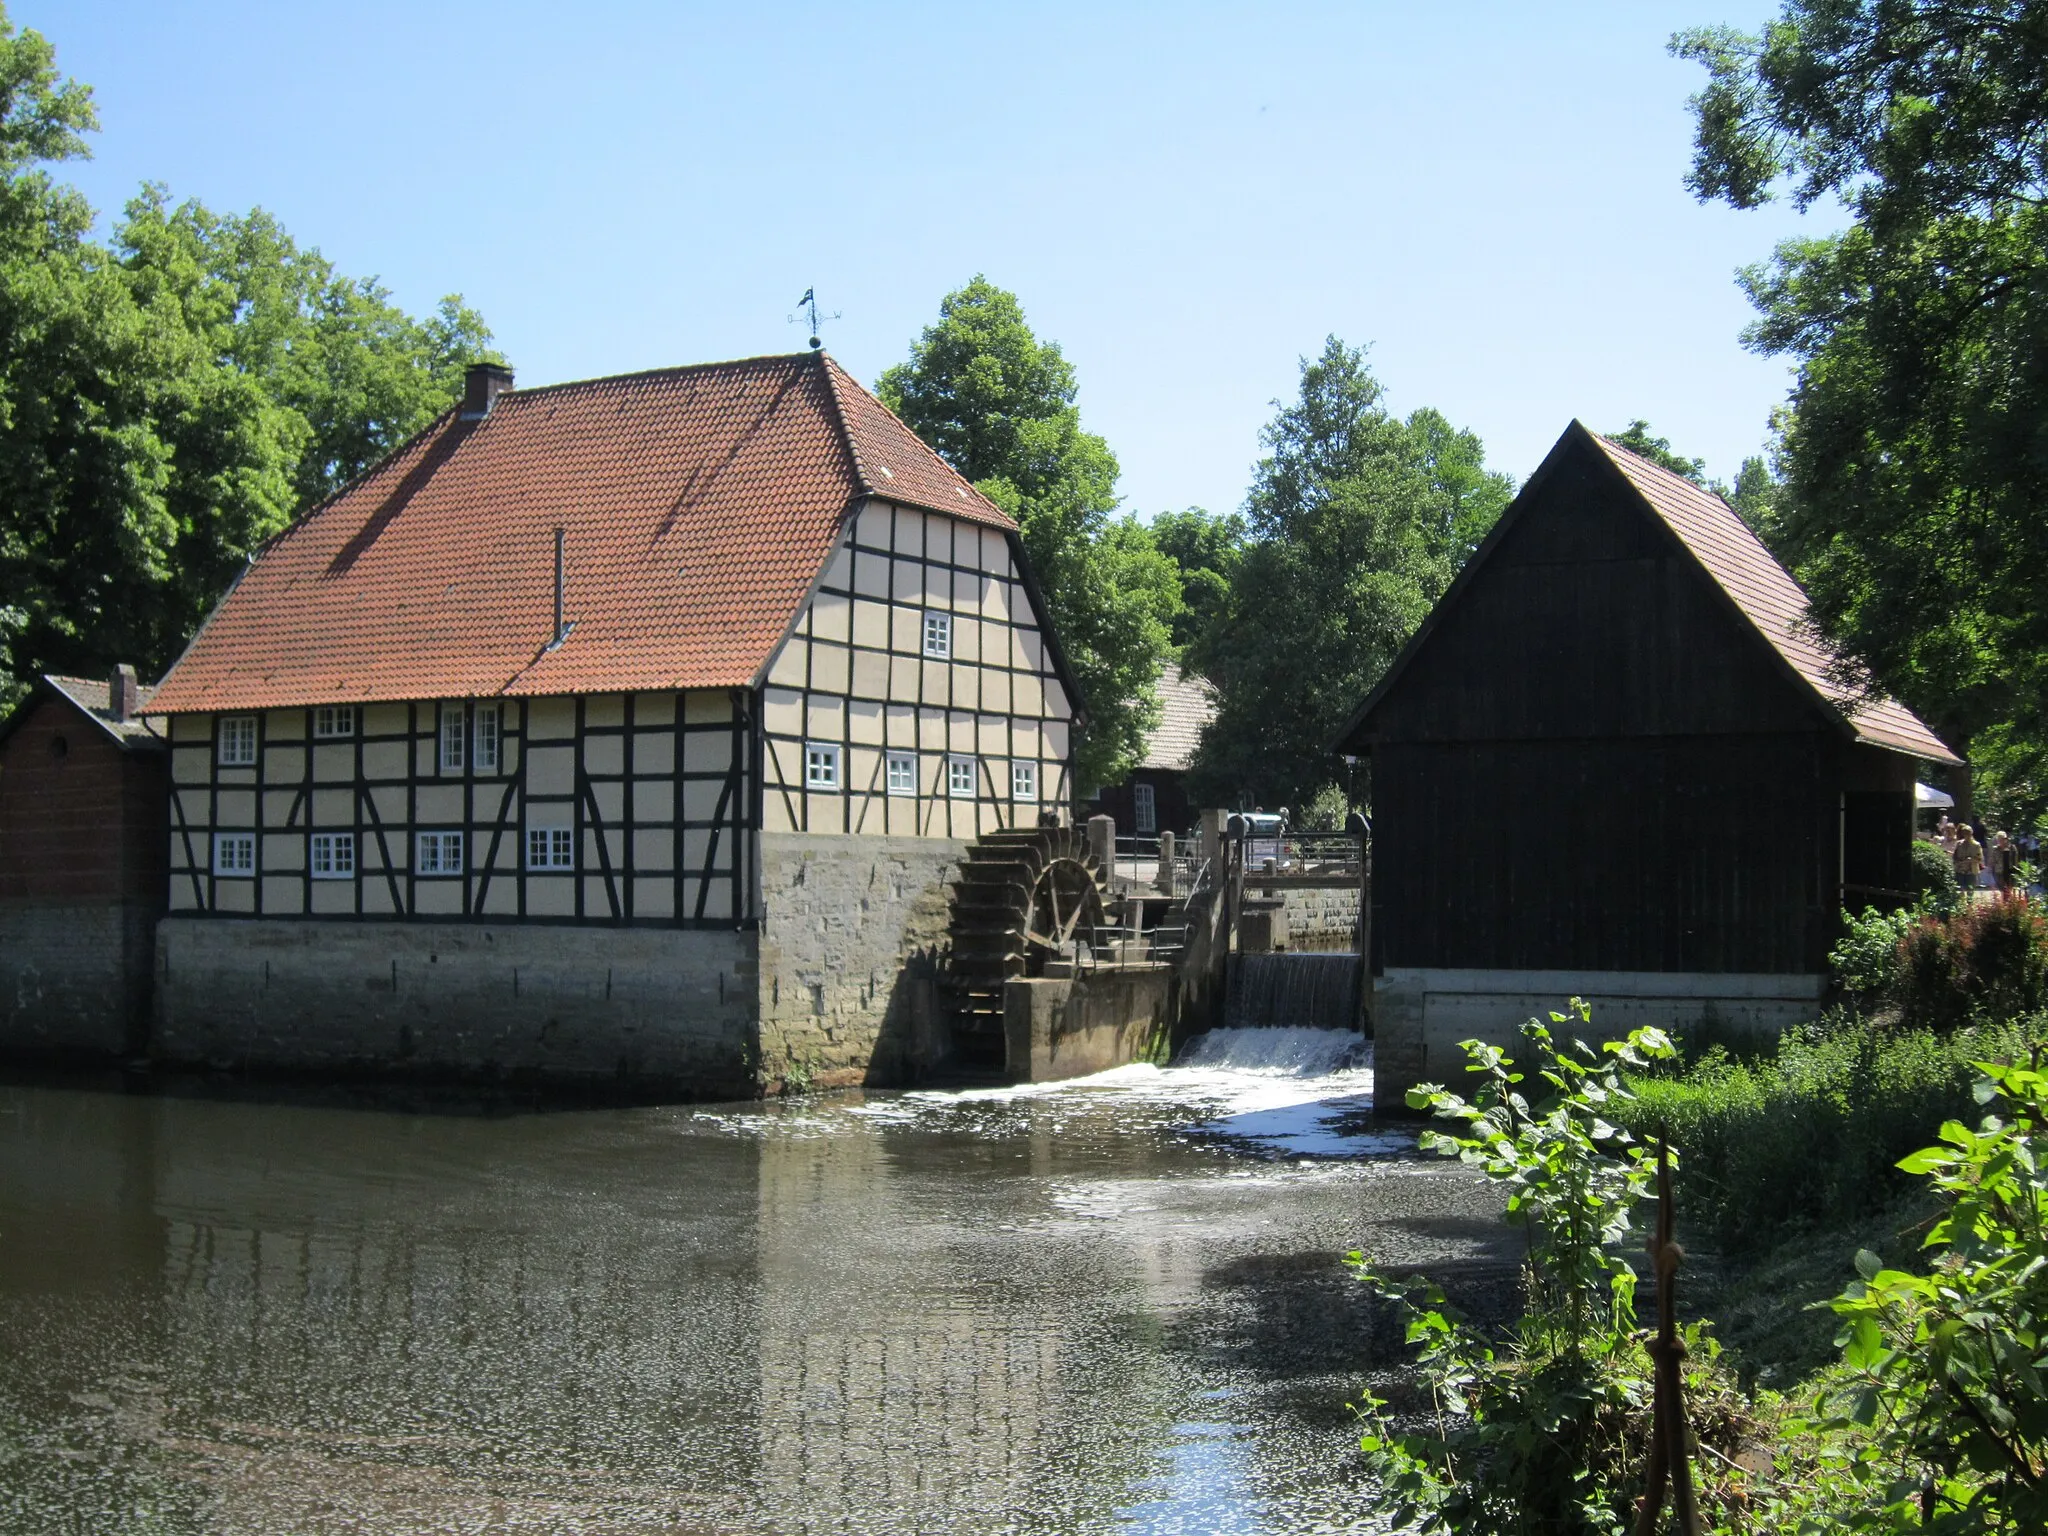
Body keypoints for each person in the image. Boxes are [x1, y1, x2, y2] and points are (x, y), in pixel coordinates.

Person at [1953, 823, 1985, 889]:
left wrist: (1970, 860)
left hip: (1971, 871)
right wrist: (1958, 862)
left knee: (1970, 889)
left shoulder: (1976, 845)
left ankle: (1969, 899)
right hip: (1960, 870)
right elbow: (1955, 856)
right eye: (1964, 833)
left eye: (1968, 833)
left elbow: (1979, 859)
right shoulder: (1959, 844)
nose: (1966, 835)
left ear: (1971, 833)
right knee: (1961, 889)